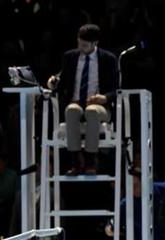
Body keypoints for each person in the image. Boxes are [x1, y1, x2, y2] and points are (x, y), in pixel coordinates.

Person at [47, 24, 118, 175]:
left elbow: (115, 89)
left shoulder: (108, 59)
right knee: (72, 110)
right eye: (79, 43)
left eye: (85, 45)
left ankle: (91, 159)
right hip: (77, 103)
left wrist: (104, 98)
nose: (81, 47)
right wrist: (54, 81)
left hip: (99, 106)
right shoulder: (70, 56)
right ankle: (75, 160)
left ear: (95, 43)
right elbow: (63, 78)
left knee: (91, 111)